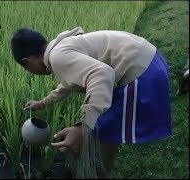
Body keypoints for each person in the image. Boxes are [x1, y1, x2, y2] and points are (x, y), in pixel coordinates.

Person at [10, 27, 172, 178]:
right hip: (149, 59)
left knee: (99, 124)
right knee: (103, 125)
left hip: (141, 71)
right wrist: (43, 103)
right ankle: (103, 170)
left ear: (27, 61)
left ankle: (102, 171)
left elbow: (102, 73)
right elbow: (69, 82)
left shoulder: (58, 57)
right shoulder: (59, 49)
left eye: (26, 69)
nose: (30, 72)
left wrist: (82, 127)